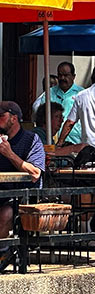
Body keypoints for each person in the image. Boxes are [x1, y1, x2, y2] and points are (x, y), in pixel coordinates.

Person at [0, 101, 47, 272]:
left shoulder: (31, 140)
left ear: (13, 118)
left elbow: (35, 173)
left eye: (1, 116)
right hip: (2, 192)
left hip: (21, 196)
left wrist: (10, 154)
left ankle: (2, 253)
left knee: (6, 213)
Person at [32, 61, 84, 145]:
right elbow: (42, 116)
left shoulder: (81, 93)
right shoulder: (49, 93)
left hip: (74, 140)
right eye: (60, 75)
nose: (62, 78)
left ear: (73, 77)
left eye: (66, 75)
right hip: (50, 140)